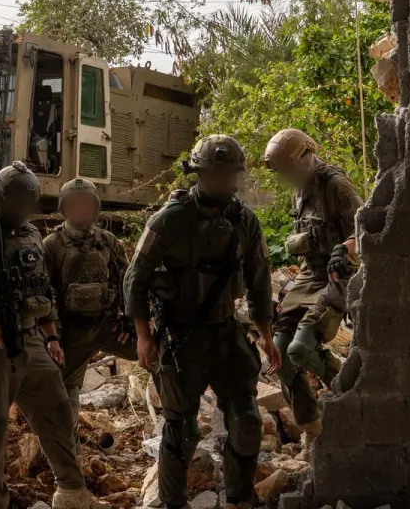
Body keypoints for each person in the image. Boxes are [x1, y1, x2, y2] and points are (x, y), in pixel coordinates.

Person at [0, 161, 107, 509]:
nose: (22, 211)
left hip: (31, 338)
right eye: (16, 204)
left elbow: (41, 289)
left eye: (27, 205)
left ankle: (71, 492)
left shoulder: (30, 234)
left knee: (58, 409)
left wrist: (52, 336)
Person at [124, 135, 279, 509]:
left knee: (247, 421)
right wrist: (143, 337)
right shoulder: (171, 218)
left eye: (228, 175)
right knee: (181, 430)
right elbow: (135, 278)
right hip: (182, 338)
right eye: (214, 174)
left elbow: (260, 281)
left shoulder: (244, 220)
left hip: (226, 334)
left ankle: (239, 498)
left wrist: (266, 336)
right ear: (198, 173)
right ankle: (172, 503)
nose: (222, 182)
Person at [263, 128, 363, 460]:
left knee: (300, 350)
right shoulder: (299, 192)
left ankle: (351, 389)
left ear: (306, 158)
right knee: (279, 354)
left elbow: (366, 231)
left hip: (337, 276)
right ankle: (313, 429)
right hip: (308, 276)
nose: (287, 178)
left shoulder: (336, 186)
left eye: (289, 169)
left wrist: (347, 248)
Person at [41, 178, 136, 411]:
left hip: (108, 326)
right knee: (64, 400)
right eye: (75, 203)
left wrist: (131, 320)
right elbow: (42, 292)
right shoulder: (52, 245)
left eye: (86, 203)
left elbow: (129, 280)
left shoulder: (108, 241)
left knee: (155, 355)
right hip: (71, 333)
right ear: (64, 208)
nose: (81, 208)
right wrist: (53, 335)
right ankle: (67, 446)